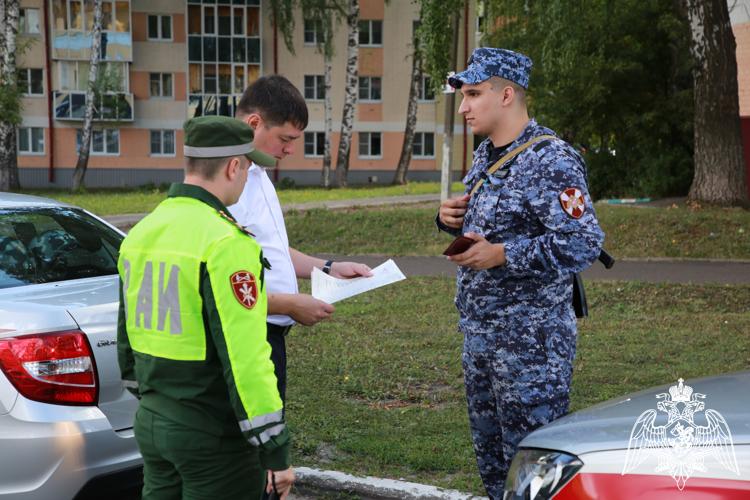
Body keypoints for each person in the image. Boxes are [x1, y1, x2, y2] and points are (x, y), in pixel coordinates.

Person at [436, 47, 605, 499]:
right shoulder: (487, 155)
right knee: (494, 470)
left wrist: (504, 255)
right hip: (481, 336)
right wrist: (450, 219)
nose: (464, 106)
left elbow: (584, 242)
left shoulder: (551, 159)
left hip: (532, 346)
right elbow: (490, 224)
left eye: (473, 94)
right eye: (463, 95)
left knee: (534, 471)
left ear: (506, 94)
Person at [118, 116, 295, 500]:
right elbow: (246, 358)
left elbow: (126, 341)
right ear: (234, 166)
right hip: (212, 437)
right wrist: (275, 449)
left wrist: (154, 402)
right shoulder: (225, 243)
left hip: (153, 422)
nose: (247, 176)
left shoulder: (141, 233)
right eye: (248, 167)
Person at [229, 75, 372, 403]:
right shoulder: (229, 182)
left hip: (269, 334)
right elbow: (220, 286)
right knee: (259, 434)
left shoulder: (258, 172)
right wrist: (289, 305)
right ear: (255, 123)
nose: (290, 149)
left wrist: (329, 267)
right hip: (249, 335)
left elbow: (269, 250)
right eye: (285, 138)